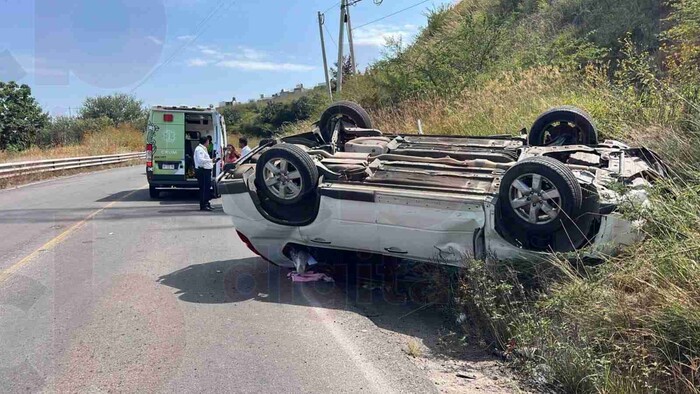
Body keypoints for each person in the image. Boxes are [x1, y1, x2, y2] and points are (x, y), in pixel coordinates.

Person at [194, 136, 215, 211]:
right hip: (203, 171)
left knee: (207, 188)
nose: (209, 143)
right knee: (204, 188)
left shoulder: (203, 149)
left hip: (206, 170)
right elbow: (200, 160)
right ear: (206, 142)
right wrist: (210, 160)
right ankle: (204, 205)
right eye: (208, 141)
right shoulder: (199, 149)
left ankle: (207, 203)